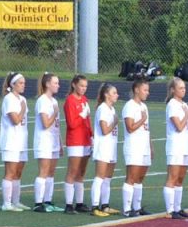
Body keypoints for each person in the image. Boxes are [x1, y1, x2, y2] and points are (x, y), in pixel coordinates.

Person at [63, 74, 93, 213]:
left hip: (85, 139)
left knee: (81, 172)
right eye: (81, 85)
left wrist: (91, 135)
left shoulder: (84, 99)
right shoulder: (70, 101)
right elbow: (72, 124)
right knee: (72, 172)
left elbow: (88, 121)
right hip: (75, 140)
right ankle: (69, 204)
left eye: (85, 86)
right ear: (74, 85)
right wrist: (81, 115)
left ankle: (79, 203)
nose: (83, 89)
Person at [122, 77, 152, 217]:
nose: (147, 93)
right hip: (134, 147)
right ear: (136, 90)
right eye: (145, 90)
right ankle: (127, 209)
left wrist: (150, 145)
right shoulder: (130, 106)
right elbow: (130, 127)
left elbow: (147, 129)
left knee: (140, 178)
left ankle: (137, 207)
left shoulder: (143, 106)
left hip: (144, 147)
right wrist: (142, 119)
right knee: (131, 177)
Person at [32, 73, 62, 213]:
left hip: (53, 141)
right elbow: (45, 124)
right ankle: (38, 203)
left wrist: (60, 143)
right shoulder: (42, 101)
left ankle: (48, 200)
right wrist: (55, 113)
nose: (58, 85)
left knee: (51, 172)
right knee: (43, 172)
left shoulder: (54, 101)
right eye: (55, 83)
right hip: (44, 141)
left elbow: (56, 126)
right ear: (47, 84)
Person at [164, 77, 188, 219]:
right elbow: (179, 126)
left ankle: (178, 207)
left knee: (180, 178)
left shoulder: (184, 104)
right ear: (173, 90)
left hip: (184, 145)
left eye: (184, 88)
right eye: (180, 88)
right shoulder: (172, 105)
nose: (184, 90)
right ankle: (170, 210)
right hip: (175, 145)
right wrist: (186, 115)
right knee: (173, 177)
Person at [0, 72, 28, 212]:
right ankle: (7, 203)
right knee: (10, 172)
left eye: (24, 83)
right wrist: (22, 109)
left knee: (18, 172)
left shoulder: (22, 99)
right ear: (13, 84)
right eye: (20, 83)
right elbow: (15, 120)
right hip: (11, 140)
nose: (23, 85)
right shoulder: (9, 99)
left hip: (21, 140)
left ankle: (16, 201)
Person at [91, 83, 120, 216]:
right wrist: (114, 122)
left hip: (111, 147)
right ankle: (95, 207)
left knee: (107, 178)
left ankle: (105, 205)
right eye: (114, 93)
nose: (116, 95)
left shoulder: (111, 109)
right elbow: (104, 130)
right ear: (106, 94)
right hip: (103, 147)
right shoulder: (102, 109)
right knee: (100, 177)